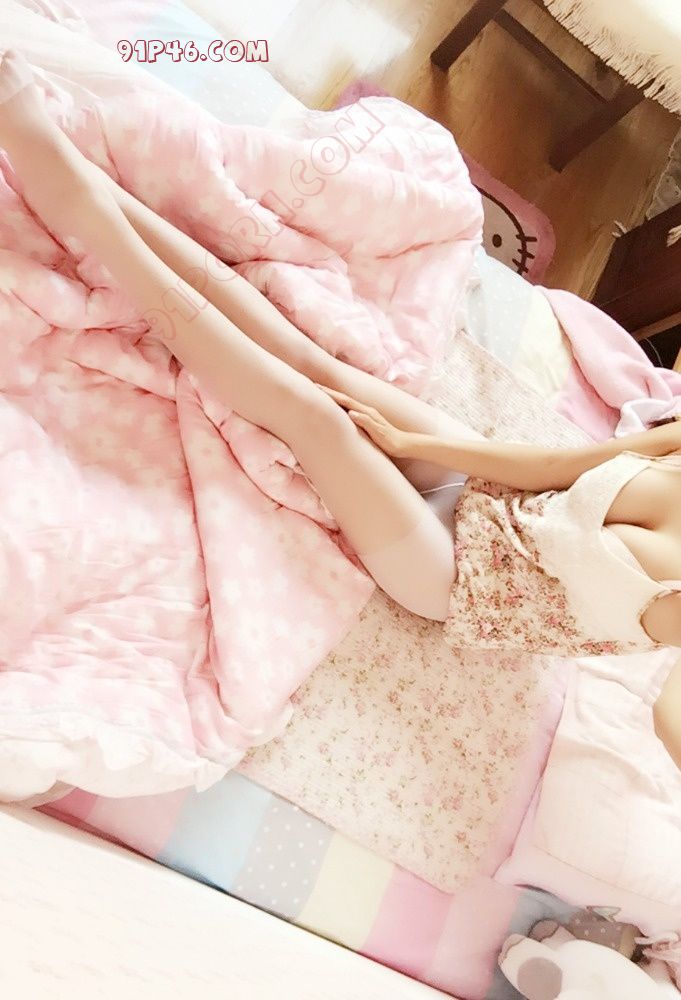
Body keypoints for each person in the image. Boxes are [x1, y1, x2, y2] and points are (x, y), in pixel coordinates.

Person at [1, 50, 679, 767]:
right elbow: (554, 467)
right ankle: (100, 191)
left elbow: (670, 723)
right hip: (490, 497)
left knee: (313, 415)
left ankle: (79, 205)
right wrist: (407, 441)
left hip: (449, 571)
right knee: (314, 363)